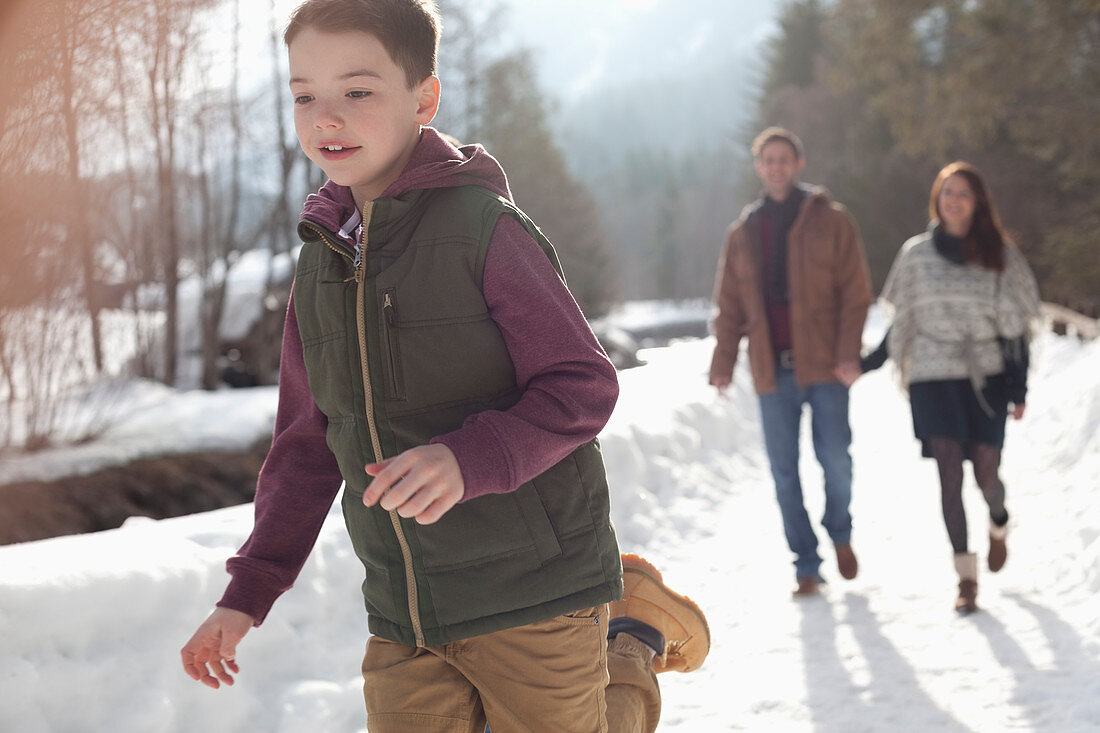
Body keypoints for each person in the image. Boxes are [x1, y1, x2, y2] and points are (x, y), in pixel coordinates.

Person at [178, 1, 709, 730]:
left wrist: (470, 458)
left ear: (423, 98)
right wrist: (246, 593)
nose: (326, 116)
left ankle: (633, 640)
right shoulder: (319, 265)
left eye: (357, 92)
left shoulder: (485, 230)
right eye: (305, 95)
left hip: (536, 591)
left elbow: (583, 384)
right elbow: (306, 445)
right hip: (409, 613)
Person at [859, 161, 1040, 614]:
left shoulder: (1000, 254)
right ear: (937, 200)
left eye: (962, 193)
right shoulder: (916, 255)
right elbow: (903, 319)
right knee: (949, 474)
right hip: (931, 376)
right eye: (946, 192)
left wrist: (1019, 389)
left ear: (977, 201)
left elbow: (1016, 328)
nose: (953, 200)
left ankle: (998, 521)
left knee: (984, 471)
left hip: (987, 377)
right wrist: (868, 363)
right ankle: (965, 578)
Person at [709, 127, 873, 598]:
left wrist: (848, 353)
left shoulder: (832, 220)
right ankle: (805, 563)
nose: (777, 167)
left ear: (798, 164)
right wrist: (723, 361)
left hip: (826, 366)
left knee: (836, 460)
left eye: (785, 159)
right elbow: (729, 306)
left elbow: (856, 293)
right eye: (768, 160)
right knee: (784, 472)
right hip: (770, 369)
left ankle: (840, 531)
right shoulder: (742, 233)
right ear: (759, 167)